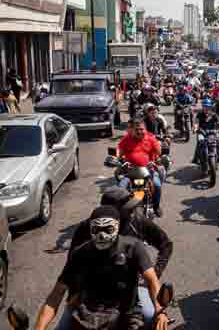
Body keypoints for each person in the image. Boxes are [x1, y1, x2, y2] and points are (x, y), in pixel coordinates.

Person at [33, 206, 169, 330]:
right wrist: (39, 328)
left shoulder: (133, 247)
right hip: (87, 316)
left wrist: (159, 310)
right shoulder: (80, 253)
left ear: (118, 226)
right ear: (90, 229)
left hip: (126, 314)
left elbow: (152, 280)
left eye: (108, 229)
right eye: (96, 230)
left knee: (154, 322)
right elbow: (56, 294)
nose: (102, 235)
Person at [67, 187, 173, 328]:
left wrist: (155, 271)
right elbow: (71, 265)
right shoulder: (86, 229)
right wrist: (74, 292)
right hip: (92, 291)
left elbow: (166, 244)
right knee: (65, 324)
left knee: (149, 315)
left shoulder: (138, 221)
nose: (132, 211)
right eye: (127, 209)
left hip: (131, 288)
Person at [117, 118, 164, 217]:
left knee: (157, 186)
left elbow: (159, 153)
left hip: (148, 170)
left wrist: (157, 161)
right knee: (121, 188)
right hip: (130, 171)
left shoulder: (151, 138)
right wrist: (119, 160)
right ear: (132, 130)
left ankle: (156, 206)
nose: (139, 131)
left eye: (141, 129)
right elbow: (118, 153)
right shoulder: (126, 139)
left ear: (145, 129)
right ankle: (121, 211)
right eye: (136, 129)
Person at [193, 98, 219, 164]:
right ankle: (196, 158)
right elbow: (196, 122)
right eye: (205, 106)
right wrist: (195, 128)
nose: (206, 108)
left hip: (212, 132)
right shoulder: (199, 114)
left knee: (218, 142)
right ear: (202, 107)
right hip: (202, 132)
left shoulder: (214, 115)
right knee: (199, 143)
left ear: (210, 107)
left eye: (208, 106)